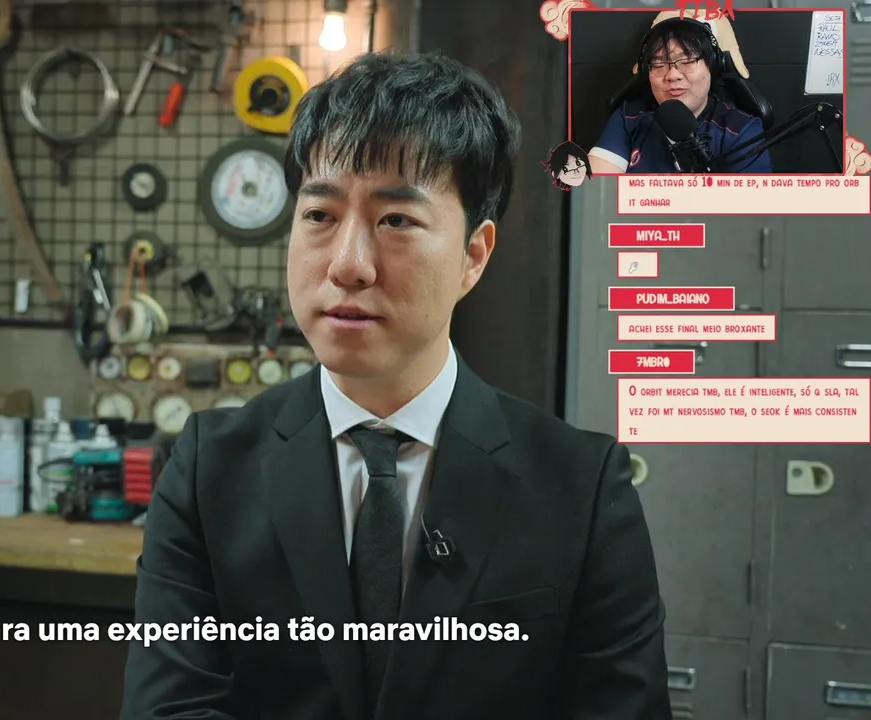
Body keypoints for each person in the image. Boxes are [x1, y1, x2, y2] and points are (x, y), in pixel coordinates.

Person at [121, 51, 670, 719]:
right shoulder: (209, 470)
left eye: (397, 221)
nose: (348, 266)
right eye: (320, 215)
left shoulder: (581, 488)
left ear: (473, 256)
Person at [589, 17, 772, 174]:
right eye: (659, 65)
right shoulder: (628, 117)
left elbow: (749, 203)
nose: (672, 75)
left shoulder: (742, 130)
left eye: (687, 61)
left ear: (713, 66)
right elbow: (597, 191)